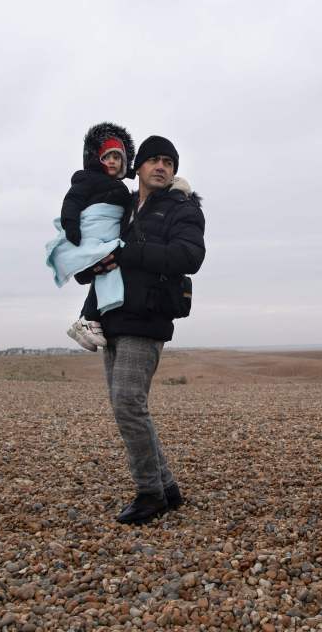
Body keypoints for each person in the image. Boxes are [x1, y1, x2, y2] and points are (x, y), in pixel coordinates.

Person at [75, 135, 205, 525]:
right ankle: (166, 487)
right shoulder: (123, 206)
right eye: (154, 160)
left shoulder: (182, 209)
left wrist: (128, 251)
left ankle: (150, 493)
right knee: (124, 405)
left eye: (168, 162)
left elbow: (189, 256)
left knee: (129, 404)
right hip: (112, 318)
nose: (161, 167)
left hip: (147, 319)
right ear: (139, 167)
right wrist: (87, 267)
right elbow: (94, 250)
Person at [46, 122, 135, 351]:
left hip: (108, 236)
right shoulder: (86, 178)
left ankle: (87, 319)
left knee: (106, 272)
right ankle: (88, 318)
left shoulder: (122, 188)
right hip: (93, 234)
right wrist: (71, 225)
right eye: (108, 156)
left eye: (118, 157)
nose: (113, 161)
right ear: (98, 159)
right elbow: (73, 201)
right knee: (108, 265)